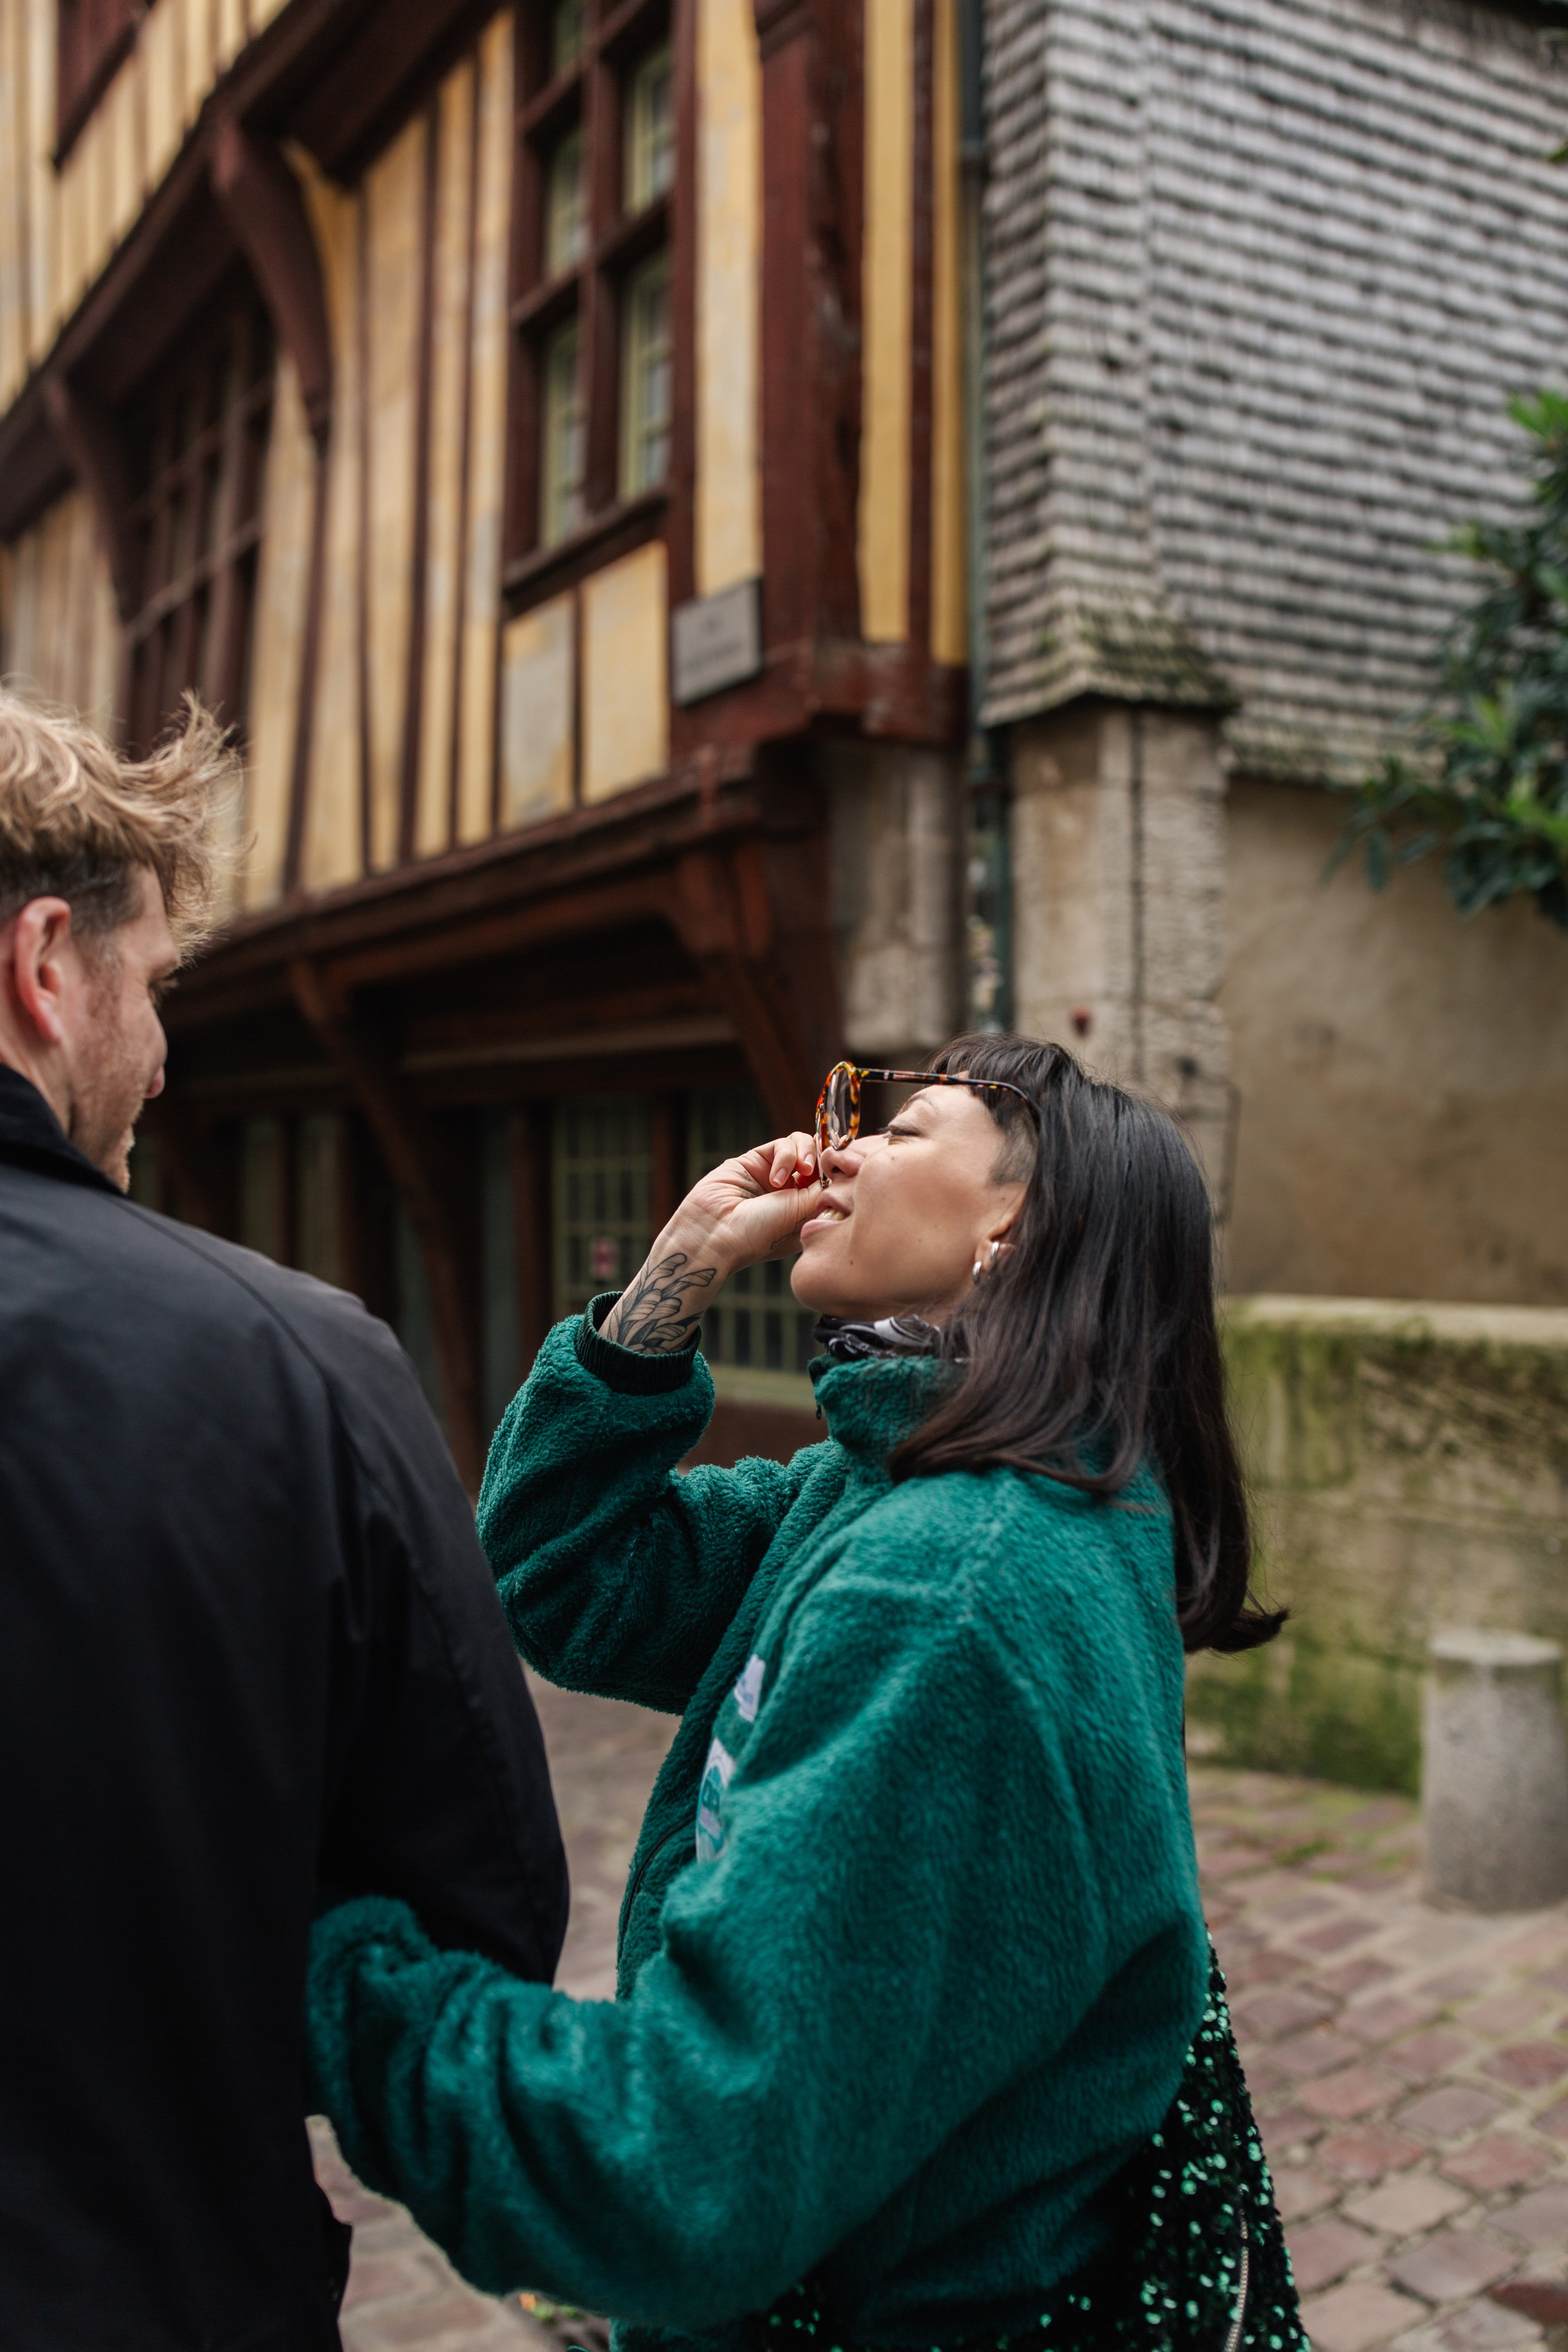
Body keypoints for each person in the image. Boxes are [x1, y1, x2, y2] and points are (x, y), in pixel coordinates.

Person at [307, 1040, 1305, 2352]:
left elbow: (681, 2171)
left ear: (1015, 1222)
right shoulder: (901, 1484)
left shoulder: (946, 1587)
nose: (836, 1150)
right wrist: (678, 1269)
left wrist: (334, 1967)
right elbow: (568, 1576)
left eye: (899, 1134)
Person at [0, 690, 569, 2351]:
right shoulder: (294, 1363)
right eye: (155, 985)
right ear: (46, 967)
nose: (164, 1055)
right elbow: (480, 1918)